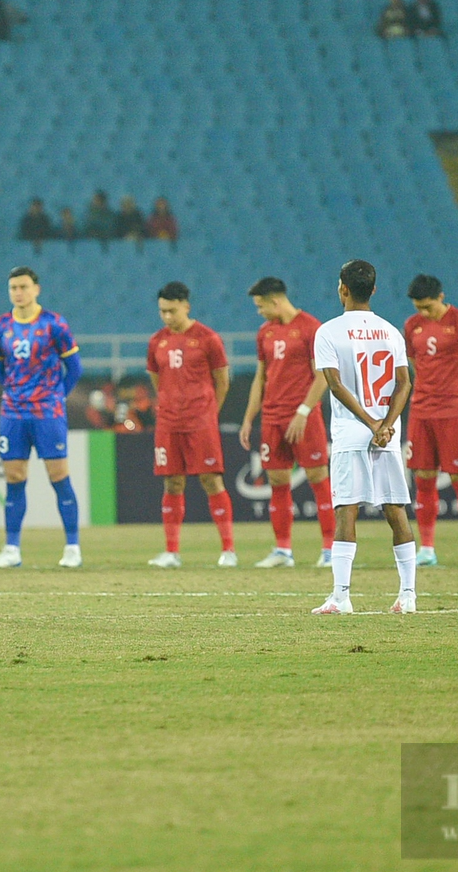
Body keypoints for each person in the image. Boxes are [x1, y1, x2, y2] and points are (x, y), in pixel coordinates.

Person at [301, 259, 417, 615]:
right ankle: (408, 596)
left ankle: (341, 596)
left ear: (343, 289)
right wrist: (386, 425)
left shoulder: (329, 332)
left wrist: (369, 424)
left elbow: (334, 384)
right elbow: (404, 382)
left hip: (353, 433)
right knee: (395, 509)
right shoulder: (390, 331)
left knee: (346, 511)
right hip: (388, 434)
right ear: (374, 290)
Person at [0, 267, 83, 568]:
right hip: (12, 412)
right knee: (14, 478)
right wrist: (16, 393)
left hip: (47, 413)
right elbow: (0, 369)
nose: (18, 292)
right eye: (13, 287)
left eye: (24, 286)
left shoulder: (55, 324)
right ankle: (12, 548)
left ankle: (72, 547)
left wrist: (55, 397)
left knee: (58, 476)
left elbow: (74, 368)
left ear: (36, 289)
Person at [238, 276, 336, 568]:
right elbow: (261, 377)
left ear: (276, 301)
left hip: (304, 418)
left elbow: (323, 376)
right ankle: (283, 551)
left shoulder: (311, 328)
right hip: (272, 418)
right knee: (277, 481)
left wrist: (304, 411)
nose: (259, 312)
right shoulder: (265, 332)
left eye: (261, 306)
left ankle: (330, 549)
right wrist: (248, 419)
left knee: (319, 479)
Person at [145, 281, 234, 567]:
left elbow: (222, 380)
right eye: (162, 311)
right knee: (172, 482)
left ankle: (228, 550)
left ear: (186, 305)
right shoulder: (157, 341)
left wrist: (209, 413)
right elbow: (158, 380)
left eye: (172, 310)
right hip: (169, 422)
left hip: (200, 422)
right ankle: (171, 552)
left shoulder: (208, 338)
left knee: (210, 479)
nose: (167, 316)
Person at [402, 273, 458, 568]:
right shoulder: (411, 326)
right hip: (421, 411)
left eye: (427, 306)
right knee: (423, 479)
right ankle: (427, 549)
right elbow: (416, 366)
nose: (423, 313)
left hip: (453, 410)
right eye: (418, 307)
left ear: (441, 296)